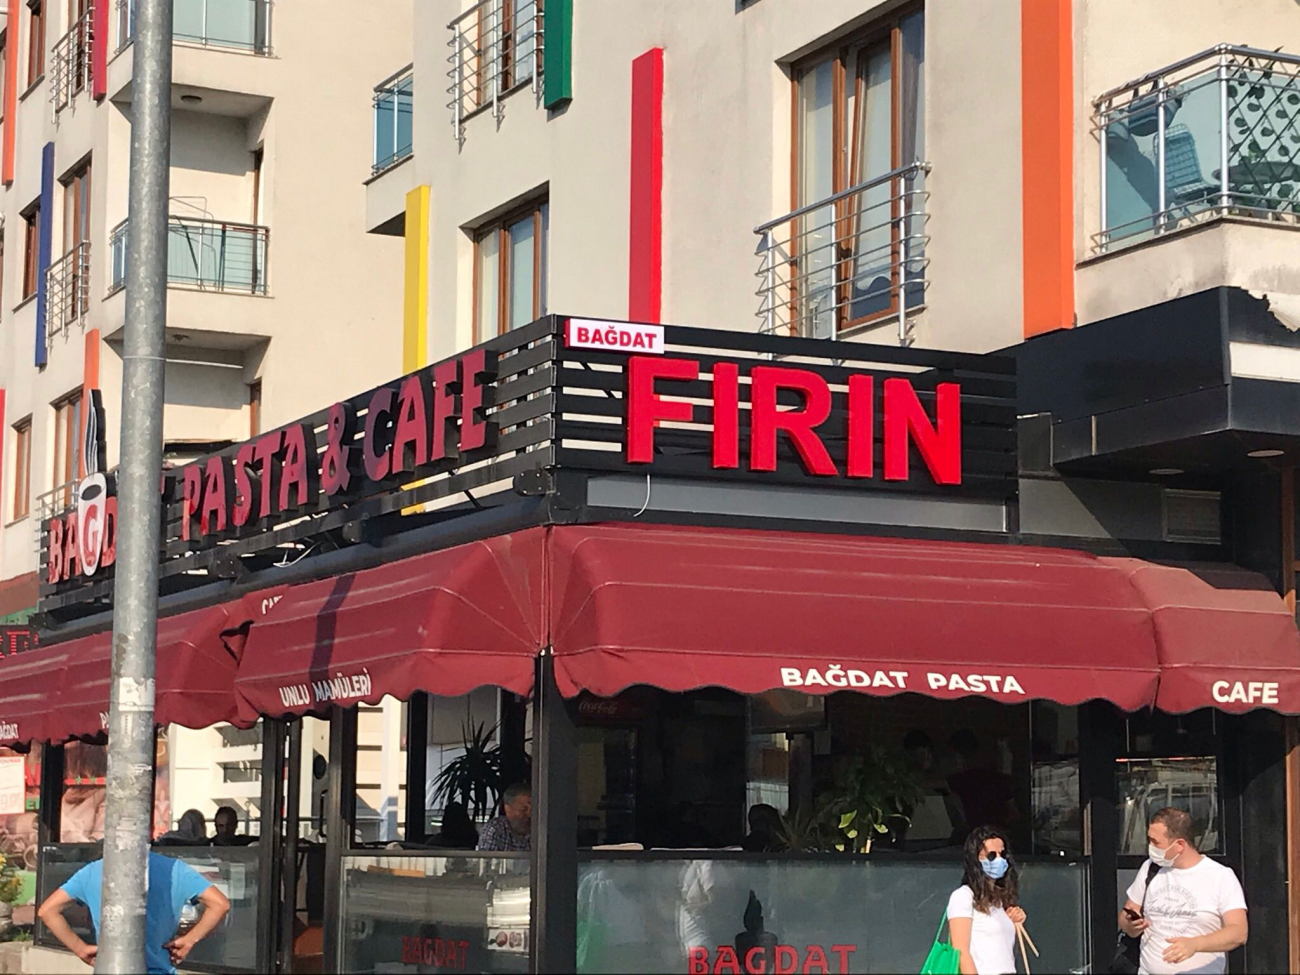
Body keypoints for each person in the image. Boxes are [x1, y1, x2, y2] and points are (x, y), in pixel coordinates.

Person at [38, 850, 231, 975]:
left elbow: (47, 911)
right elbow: (220, 904)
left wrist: (80, 948)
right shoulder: (175, 870)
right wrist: (189, 940)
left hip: (110, 968)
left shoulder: (93, 871)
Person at [1118, 806, 1247, 974]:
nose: (1150, 847)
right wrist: (1131, 925)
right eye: (1149, 840)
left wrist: (1195, 944)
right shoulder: (1151, 868)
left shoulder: (1220, 876)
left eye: (1156, 842)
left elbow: (1238, 932)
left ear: (1179, 845)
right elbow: (1126, 915)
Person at [946, 825, 1027, 975]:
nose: (999, 860)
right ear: (975, 860)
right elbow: (960, 952)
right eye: (991, 855)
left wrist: (1014, 919)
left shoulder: (999, 901)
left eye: (1002, 854)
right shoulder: (964, 896)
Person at [947, 731, 1018, 841]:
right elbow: (1014, 814)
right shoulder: (997, 779)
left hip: (974, 839)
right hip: (998, 837)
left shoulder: (958, 780)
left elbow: (928, 785)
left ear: (958, 756)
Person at [477, 782, 532, 852]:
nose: (529, 814)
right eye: (523, 810)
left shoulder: (540, 828)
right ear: (508, 809)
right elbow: (488, 858)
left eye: (533, 810)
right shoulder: (495, 829)